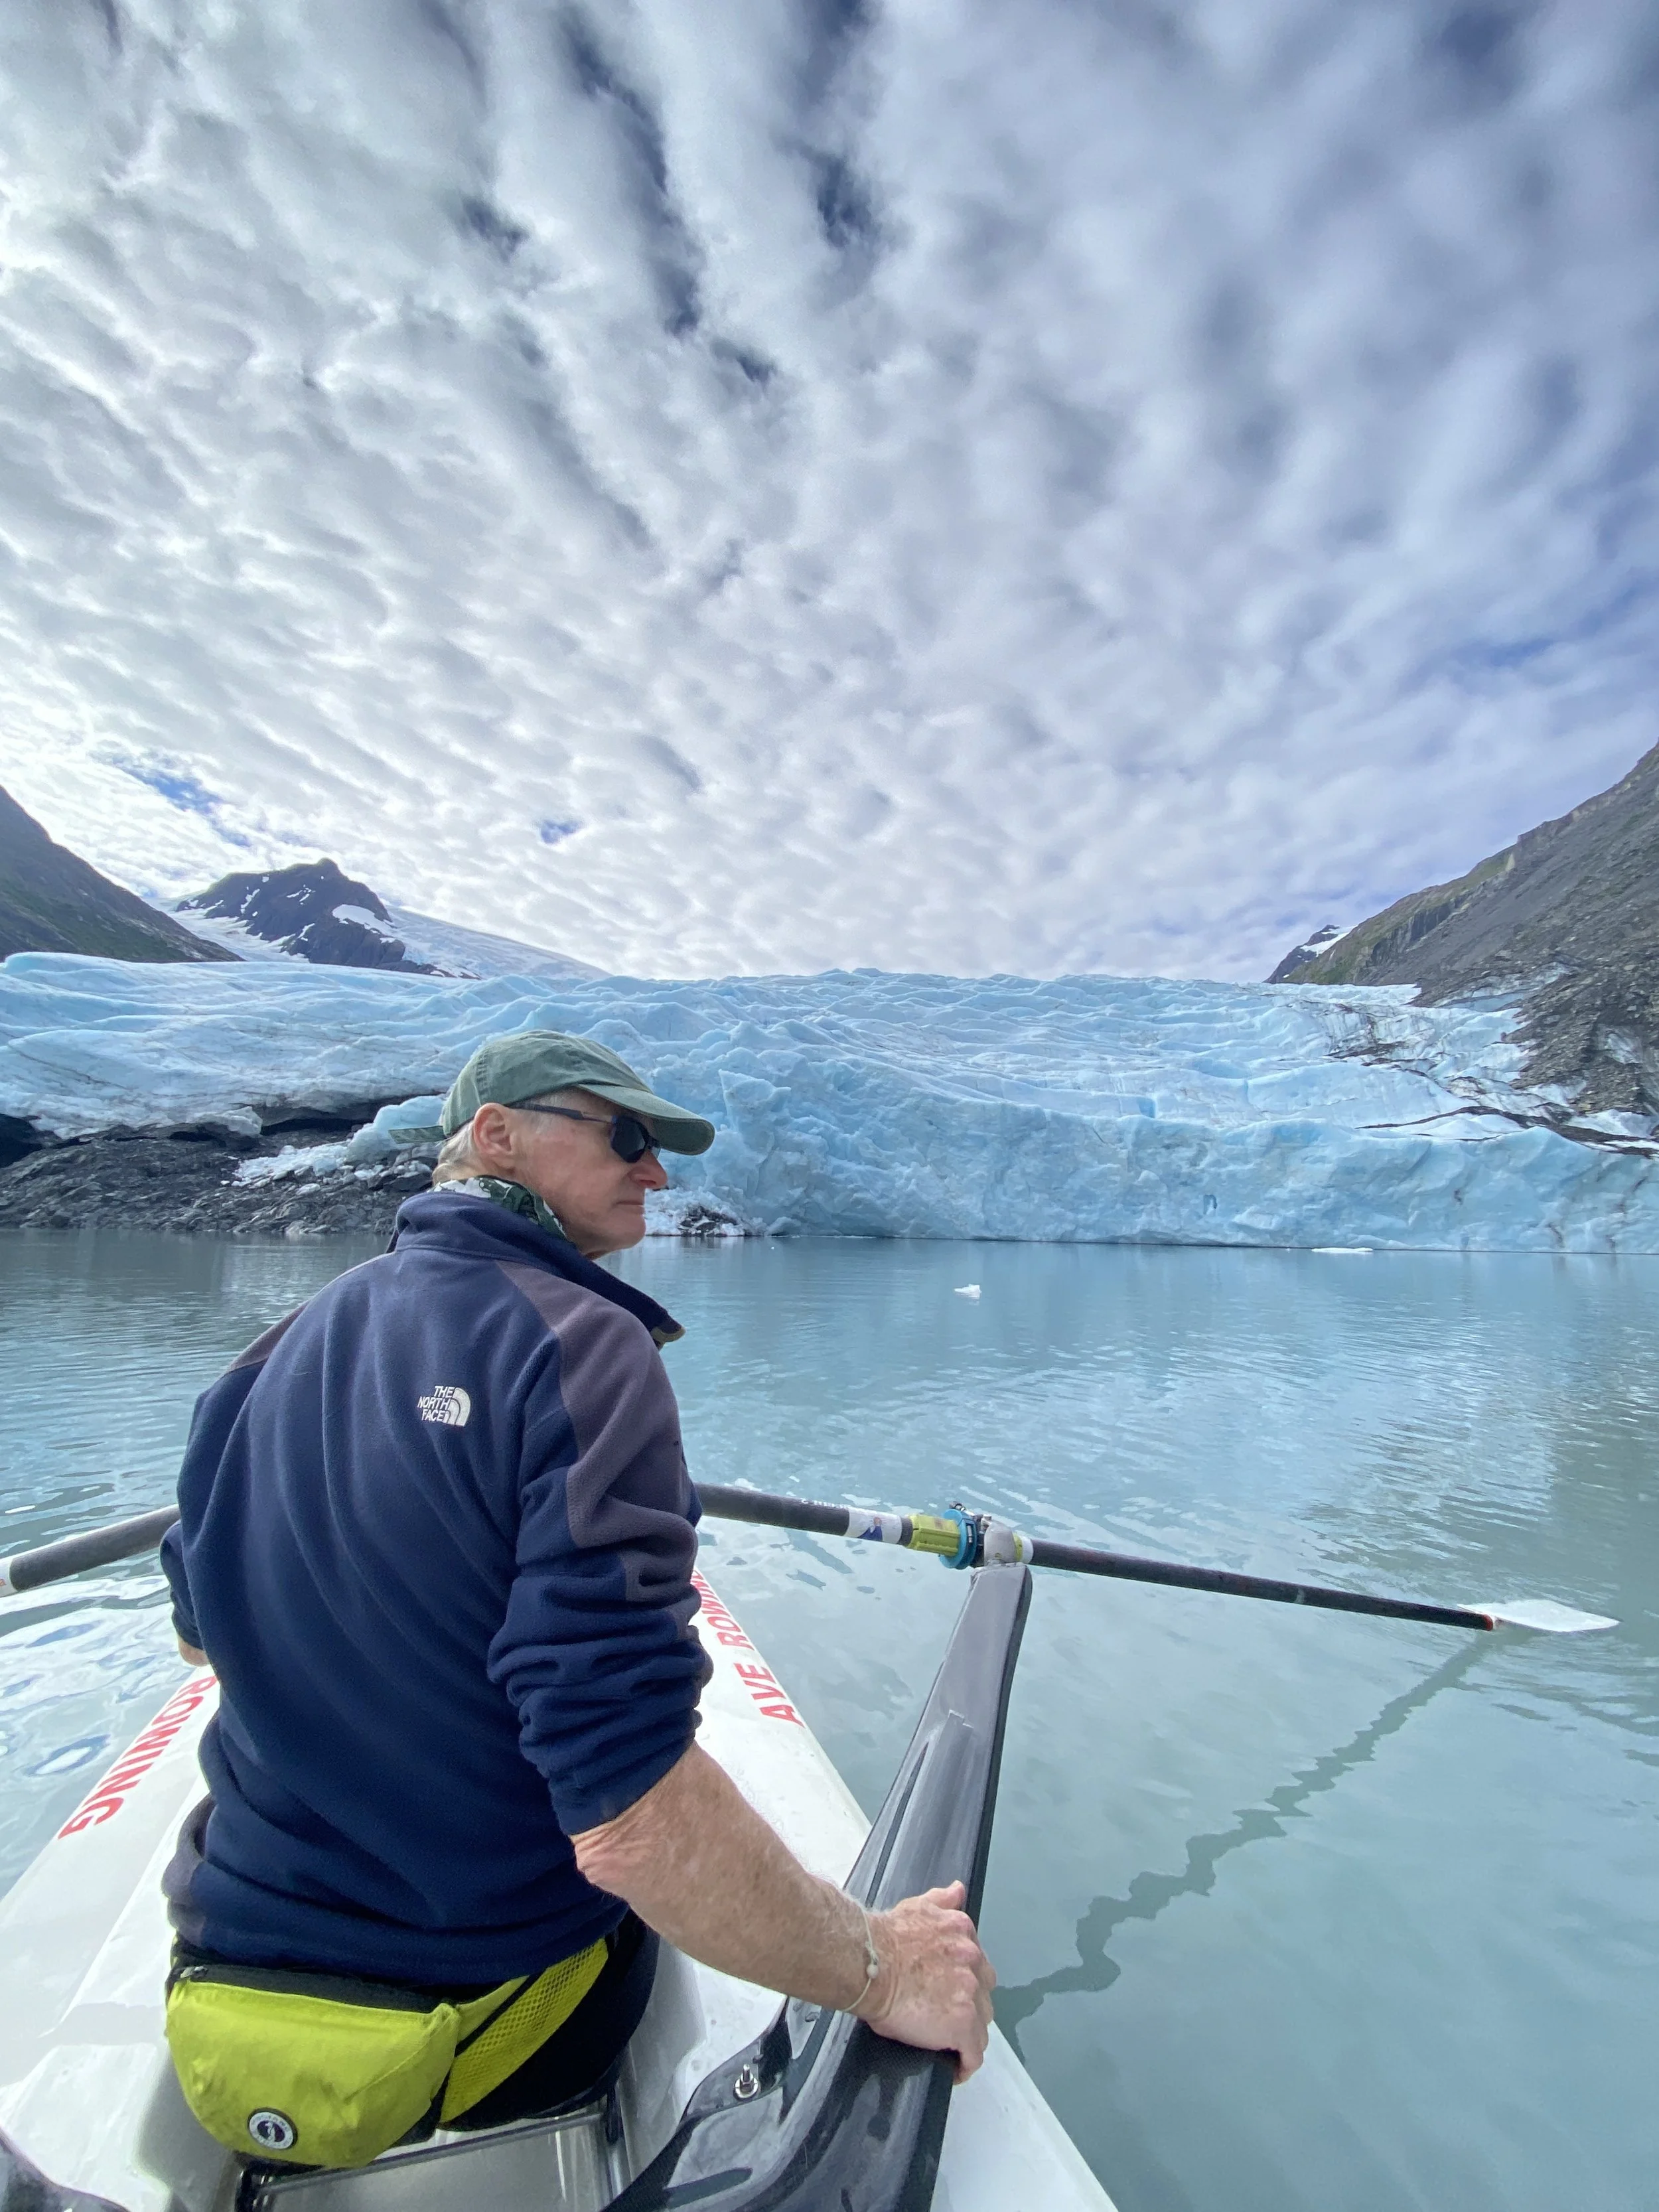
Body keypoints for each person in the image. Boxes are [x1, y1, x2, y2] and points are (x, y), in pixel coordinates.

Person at [159, 1030, 993, 2156]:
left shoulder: (263, 1357)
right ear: (497, 1137)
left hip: (218, 1969)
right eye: (629, 1137)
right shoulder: (586, 1346)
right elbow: (629, 1813)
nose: (655, 1172)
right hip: (485, 2018)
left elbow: (208, 1643)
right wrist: (883, 1965)